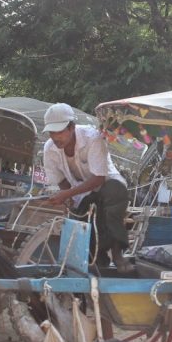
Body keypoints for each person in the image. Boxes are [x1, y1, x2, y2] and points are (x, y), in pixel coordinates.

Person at [41, 103, 133, 274]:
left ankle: (117, 253)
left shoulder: (93, 138)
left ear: (72, 127)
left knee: (114, 193)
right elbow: (60, 180)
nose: (55, 137)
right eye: (52, 133)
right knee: (84, 227)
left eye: (59, 132)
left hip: (107, 185)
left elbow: (98, 179)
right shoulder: (49, 149)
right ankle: (97, 261)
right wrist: (66, 198)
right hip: (81, 194)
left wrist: (67, 193)